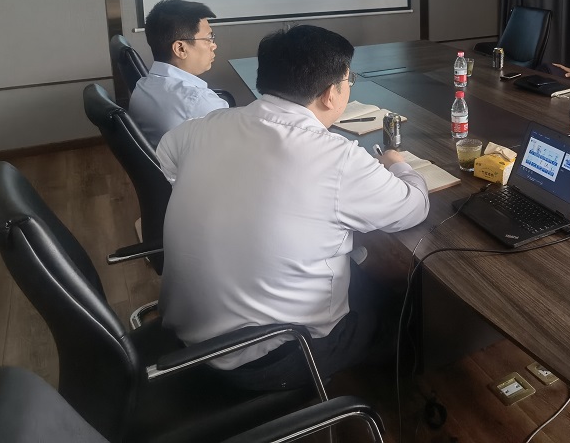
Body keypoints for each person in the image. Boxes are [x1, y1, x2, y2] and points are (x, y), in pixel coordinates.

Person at [157, 25, 429, 390]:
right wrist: (398, 164)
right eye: (349, 80)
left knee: (359, 265)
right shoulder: (337, 158)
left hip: (187, 337)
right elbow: (414, 206)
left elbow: (166, 160)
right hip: (269, 358)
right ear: (331, 94)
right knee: (404, 305)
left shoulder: (200, 128)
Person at [128, 0, 228, 150]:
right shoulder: (200, 102)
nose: (214, 45)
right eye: (208, 38)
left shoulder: (142, 86)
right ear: (180, 49)